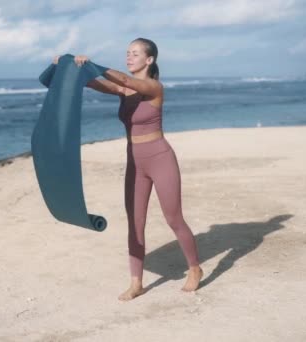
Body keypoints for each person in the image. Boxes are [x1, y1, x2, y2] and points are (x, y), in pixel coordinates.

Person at [53, 38, 203, 301]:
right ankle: (136, 283)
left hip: (160, 158)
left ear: (149, 60)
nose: (129, 57)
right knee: (135, 224)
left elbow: (127, 80)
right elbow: (91, 82)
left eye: (135, 54)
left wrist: (93, 64)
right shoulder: (123, 91)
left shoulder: (153, 87)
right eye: (127, 53)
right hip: (135, 161)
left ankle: (194, 268)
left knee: (173, 218)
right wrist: (67, 67)